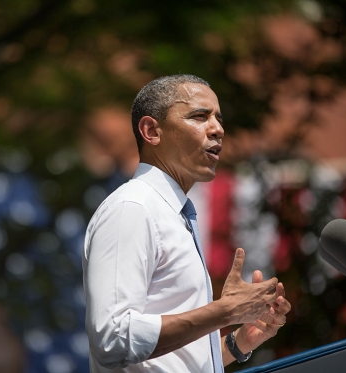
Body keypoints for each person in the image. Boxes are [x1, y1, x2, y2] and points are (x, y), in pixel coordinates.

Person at [82, 74, 291, 372]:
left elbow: (175, 362)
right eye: (199, 116)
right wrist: (223, 312)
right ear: (151, 130)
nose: (218, 129)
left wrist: (239, 341)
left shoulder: (173, 213)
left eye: (218, 118)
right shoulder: (132, 208)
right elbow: (112, 339)